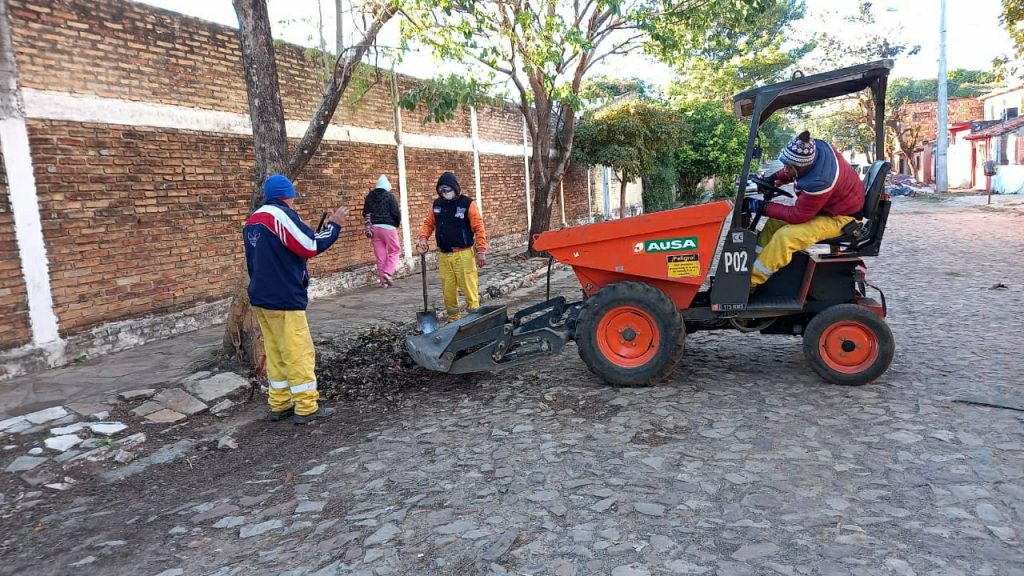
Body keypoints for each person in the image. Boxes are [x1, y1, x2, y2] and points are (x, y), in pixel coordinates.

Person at [243, 174, 349, 425]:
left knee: (275, 351)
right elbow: (309, 246)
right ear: (287, 196)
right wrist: (334, 226)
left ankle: (280, 403)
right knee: (298, 351)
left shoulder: (253, 220)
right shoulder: (279, 216)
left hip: (261, 297)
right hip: (284, 296)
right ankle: (306, 406)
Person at [744, 131, 865, 287]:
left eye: (789, 167)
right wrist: (774, 178)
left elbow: (798, 215)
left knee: (786, 237)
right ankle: (752, 264)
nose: (785, 169)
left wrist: (762, 207)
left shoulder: (820, 181)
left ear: (801, 167)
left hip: (842, 218)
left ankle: (750, 282)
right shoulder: (812, 153)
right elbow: (793, 168)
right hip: (830, 209)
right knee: (774, 223)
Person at [416, 171, 487, 321]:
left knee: (469, 287)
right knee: (448, 290)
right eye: (441, 190)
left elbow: (479, 227)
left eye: (447, 190)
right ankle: (453, 319)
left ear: (454, 188)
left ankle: (474, 318)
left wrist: (481, 250)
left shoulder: (467, 204)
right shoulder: (437, 204)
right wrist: (423, 238)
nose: (444, 193)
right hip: (444, 255)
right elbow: (429, 223)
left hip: (464, 254)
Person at [362, 175, 402, 287]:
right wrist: (396, 223)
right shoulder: (389, 196)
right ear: (386, 185)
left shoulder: (369, 197)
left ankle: (383, 282)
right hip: (388, 228)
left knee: (380, 256)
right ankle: (388, 273)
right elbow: (396, 212)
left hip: (374, 229)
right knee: (395, 250)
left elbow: (365, 213)